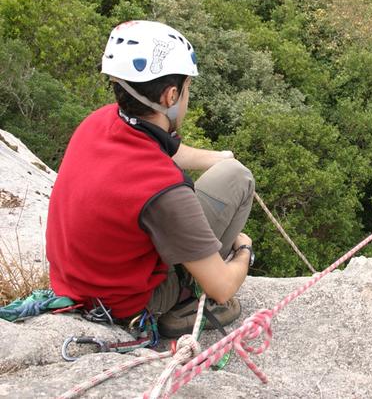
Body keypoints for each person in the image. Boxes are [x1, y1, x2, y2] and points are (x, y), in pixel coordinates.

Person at [46, 20, 255, 337]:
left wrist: (217, 157)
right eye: (186, 90)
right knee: (239, 179)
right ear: (172, 95)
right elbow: (223, 286)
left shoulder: (100, 122)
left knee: (229, 169)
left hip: (78, 285)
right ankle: (181, 303)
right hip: (128, 304)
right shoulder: (165, 189)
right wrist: (244, 251)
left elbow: (164, 150)